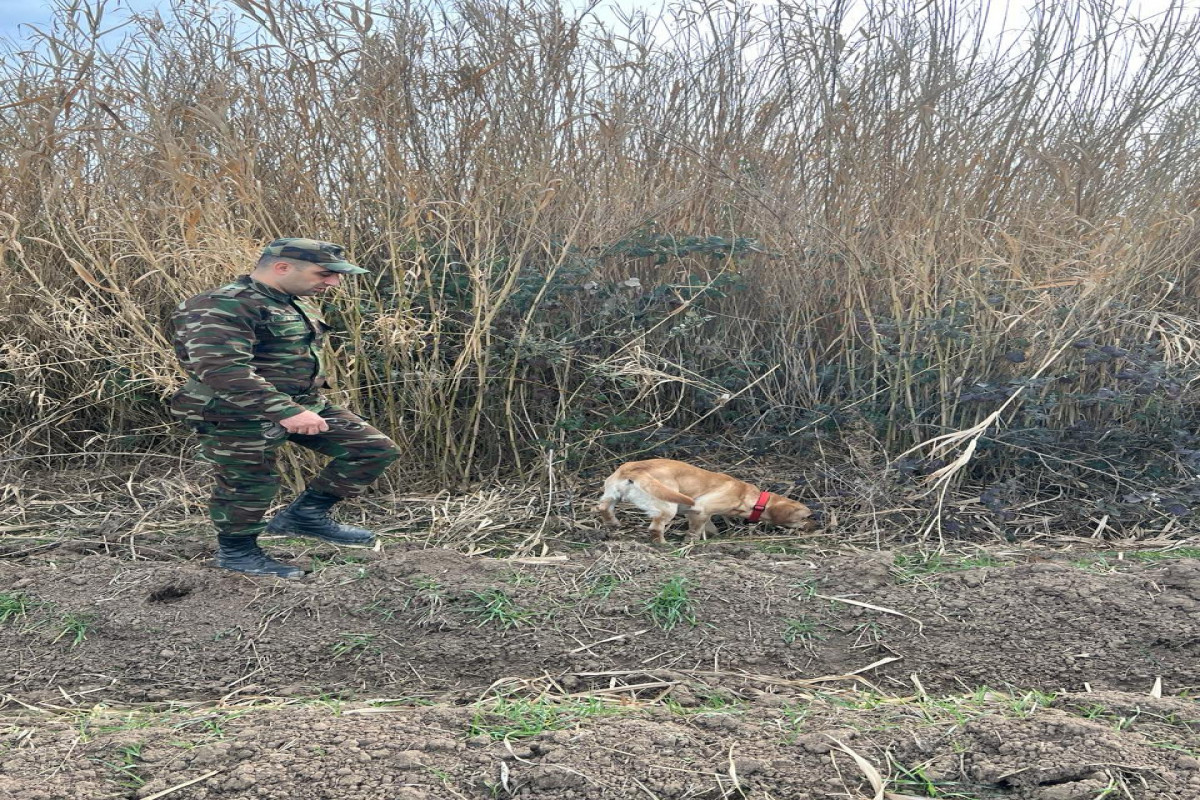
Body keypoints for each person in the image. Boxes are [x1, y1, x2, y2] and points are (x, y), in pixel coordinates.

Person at [168, 238, 402, 578]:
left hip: (301, 403)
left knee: (373, 449)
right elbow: (222, 370)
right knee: (249, 482)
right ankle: (237, 553)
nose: (333, 282)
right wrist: (285, 411)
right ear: (282, 267)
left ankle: (304, 516)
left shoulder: (293, 302)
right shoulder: (221, 304)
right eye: (325, 273)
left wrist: (298, 405)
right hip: (232, 410)